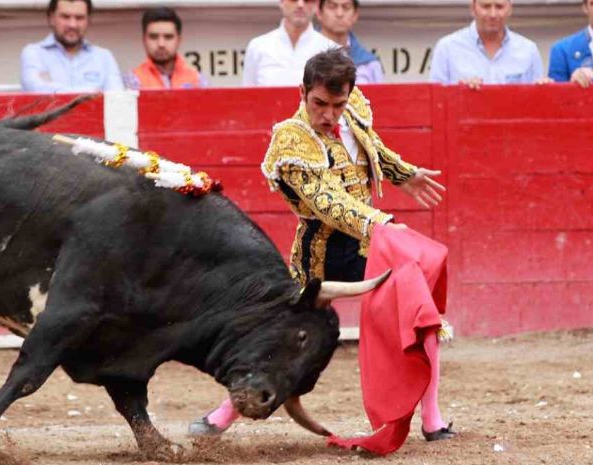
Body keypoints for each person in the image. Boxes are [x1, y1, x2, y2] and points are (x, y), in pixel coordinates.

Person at [189, 49, 454, 442]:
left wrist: (404, 174)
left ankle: (432, 419)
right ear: (303, 92)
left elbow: (371, 147)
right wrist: (378, 222)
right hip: (323, 254)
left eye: (337, 104)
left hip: (371, 244)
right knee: (286, 335)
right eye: (319, 104)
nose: (329, 115)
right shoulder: (290, 140)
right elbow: (326, 203)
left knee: (422, 312)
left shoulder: (353, 110)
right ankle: (224, 415)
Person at [429, 0, 543, 88]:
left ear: (510, 8)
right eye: (486, 6)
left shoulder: (528, 50)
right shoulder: (447, 48)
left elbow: (537, 105)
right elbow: (436, 104)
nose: (493, 14)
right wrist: (460, 93)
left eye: (499, 7)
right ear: (473, 8)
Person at [21, 0, 123, 92]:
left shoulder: (104, 57)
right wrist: (91, 93)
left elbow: (116, 99)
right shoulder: (34, 53)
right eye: (65, 17)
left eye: (79, 18)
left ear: (89, 20)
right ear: (51, 18)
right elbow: (37, 90)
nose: (72, 25)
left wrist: (56, 89)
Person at [242, 0, 337, 86]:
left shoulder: (331, 49)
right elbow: (248, 97)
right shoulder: (258, 47)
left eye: (307, 0)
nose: (300, 4)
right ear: (282, 2)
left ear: (316, 4)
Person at [123, 7, 207, 89]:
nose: (161, 44)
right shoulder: (132, 81)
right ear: (144, 40)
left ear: (179, 40)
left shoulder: (198, 81)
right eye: (153, 37)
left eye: (168, 37)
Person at [316, 0, 384, 84]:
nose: (339, 14)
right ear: (319, 12)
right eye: (332, 6)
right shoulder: (303, 55)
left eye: (346, 7)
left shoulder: (369, 64)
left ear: (355, 14)